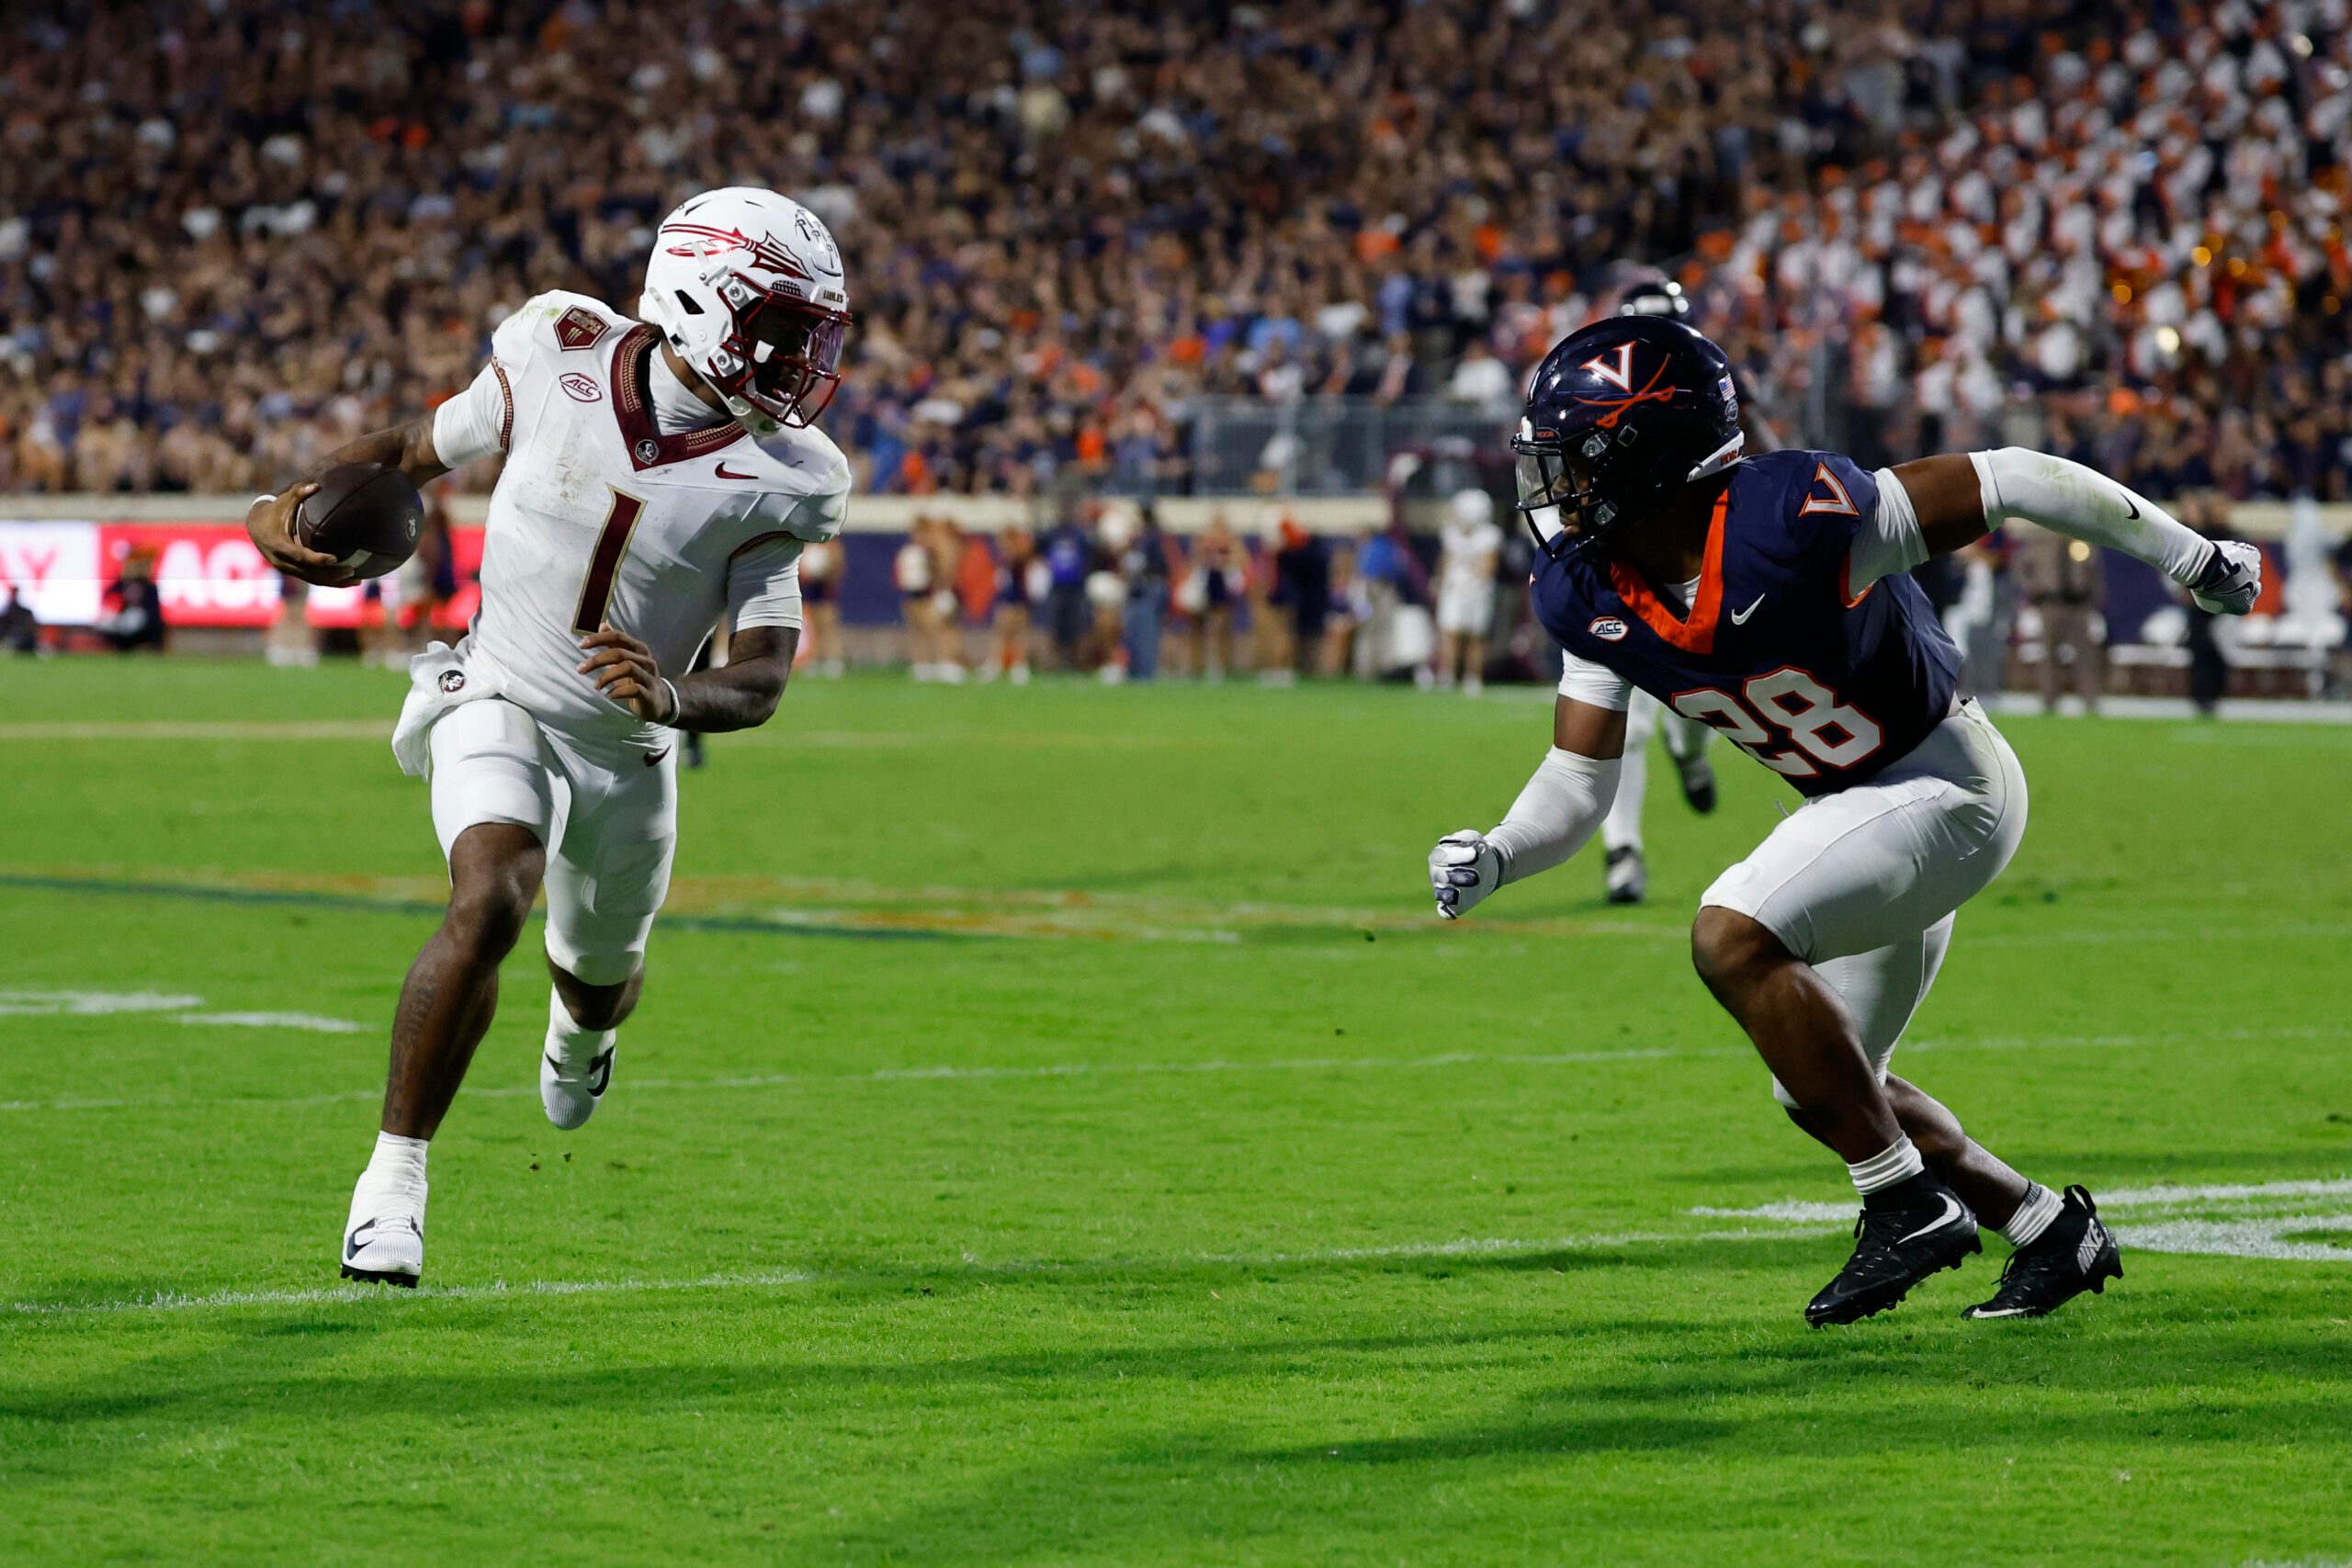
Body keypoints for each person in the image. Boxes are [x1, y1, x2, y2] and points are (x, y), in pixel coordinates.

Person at [1429, 316, 2262, 1325]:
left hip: (1947, 787)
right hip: (1859, 814)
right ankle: (2050, 1229)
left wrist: (2191, 558)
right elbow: (1575, 781)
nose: (1551, 489)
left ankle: (1903, 1205)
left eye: (1572, 463)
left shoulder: (1793, 516)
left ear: (1643, 457)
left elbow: (2010, 478)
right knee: (1825, 1083)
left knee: (1731, 933)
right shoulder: (1589, 589)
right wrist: (1503, 851)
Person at [245, 186, 854, 1287]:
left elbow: (762, 678)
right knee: (487, 899)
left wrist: (672, 700)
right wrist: (281, 509)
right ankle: (393, 1186)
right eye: (777, 328)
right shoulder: (553, 348)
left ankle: (582, 1035)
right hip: (500, 693)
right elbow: (409, 448)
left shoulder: (789, 477)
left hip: (626, 751)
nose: (797, 362)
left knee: (597, 982)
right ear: (700, 298)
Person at [2015, 530, 2105, 715]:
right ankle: (2049, 700)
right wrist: (2032, 587)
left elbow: (2094, 569)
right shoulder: (2039, 540)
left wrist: (2094, 597)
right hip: (2050, 602)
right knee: (2049, 654)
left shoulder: (2081, 539)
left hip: (2079, 604)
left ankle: (2090, 699)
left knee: (2085, 655)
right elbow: (2021, 567)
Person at [1433, 488, 1502, 695]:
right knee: (1450, 633)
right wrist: (1440, 582)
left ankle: (1473, 677)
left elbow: (1489, 565)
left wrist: (1474, 583)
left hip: (1478, 590)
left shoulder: (1490, 535)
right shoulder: (1450, 533)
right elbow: (1446, 561)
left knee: (1476, 636)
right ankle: (1447, 675)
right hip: (1454, 589)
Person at [798, 537, 843, 677]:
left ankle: (833, 659)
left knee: (828, 625)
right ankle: (813, 658)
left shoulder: (831, 544)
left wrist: (826, 569)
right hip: (808, 587)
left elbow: (838, 566)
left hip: (824, 588)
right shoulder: (803, 543)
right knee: (812, 627)